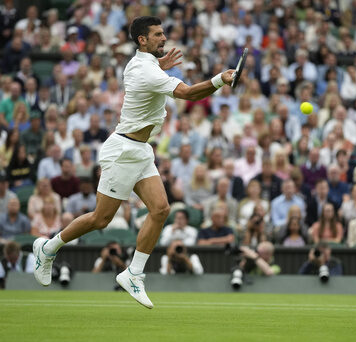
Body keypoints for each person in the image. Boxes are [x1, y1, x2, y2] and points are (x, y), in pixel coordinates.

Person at [33, 16, 237, 308]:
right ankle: (48, 248)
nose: (163, 38)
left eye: (163, 33)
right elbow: (190, 94)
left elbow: (153, 74)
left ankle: (134, 273)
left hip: (141, 150)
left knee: (161, 209)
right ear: (142, 40)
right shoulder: (145, 70)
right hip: (123, 152)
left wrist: (160, 64)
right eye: (157, 34)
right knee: (101, 219)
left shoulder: (144, 64)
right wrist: (221, 79)